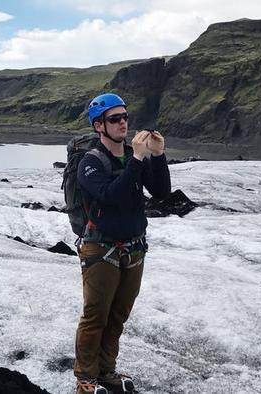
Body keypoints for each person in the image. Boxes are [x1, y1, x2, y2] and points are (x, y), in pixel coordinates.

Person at [74, 93, 171, 394]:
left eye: (125, 117)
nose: (123, 123)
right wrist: (139, 159)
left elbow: (162, 191)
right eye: (115, 119)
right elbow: (111, 195)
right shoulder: (90, 162)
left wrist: (157, 155)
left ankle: (106, 371)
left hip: (134, 248)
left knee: (117, 316)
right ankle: (85, 379)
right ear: (99, 126)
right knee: (96, 316)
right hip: (101, 249)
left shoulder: (132, 155)